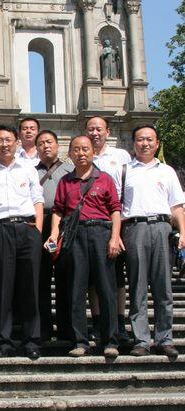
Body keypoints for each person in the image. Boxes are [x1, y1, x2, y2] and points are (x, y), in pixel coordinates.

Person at [111, 125, 185, 358]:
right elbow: (116, 207)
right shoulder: (124, 170)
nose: (145, 143)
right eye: (140, 139)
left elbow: (176, 206)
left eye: (149, 140)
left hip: (162, 227)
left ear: (157, 143)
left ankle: (165, 339)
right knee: (138, 286)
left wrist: (183, 232)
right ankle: (141, 340)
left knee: (164, 288)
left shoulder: (167, 171)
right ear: (133, 143)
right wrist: (116, 234)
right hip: (134, 228)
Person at [48, 136, 122, 358]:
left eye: (85, 149)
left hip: (101, 233)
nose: (81, 153)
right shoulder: (65, 181)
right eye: (76, 149)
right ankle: (80, 341)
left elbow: (115, 210)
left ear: (93, 152)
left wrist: (115, 237)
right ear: (70, 154)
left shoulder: (105, 178)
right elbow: (58, 210)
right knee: (76, 289)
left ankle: (110, 341)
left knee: (106, 289)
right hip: (75, 235)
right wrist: (54, 235)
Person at [0, 125, 44, 359]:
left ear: (17, 142)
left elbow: (37, 199)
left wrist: (38, 230)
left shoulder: (28, 168)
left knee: (30, 287)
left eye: (8, 140)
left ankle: (32, 340)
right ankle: (3, 341)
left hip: (27, 229)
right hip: (0, 229)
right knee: (1, 287)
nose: (4, 144)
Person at [86, 116, 131, 343]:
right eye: (91, 129)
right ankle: (97, 321)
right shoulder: (82, 155)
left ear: (108, 131)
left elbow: (128, 190)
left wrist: (119, 229)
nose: (95, 133)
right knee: (93, 277)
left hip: (114, 221)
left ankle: (119, 322)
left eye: (99, 129)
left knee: (117, 276)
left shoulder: (121, 156)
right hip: (90, 224)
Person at [34, 130, 74, 341]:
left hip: (64, 225)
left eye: (49, 142)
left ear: (58, 145)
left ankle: (66, 327)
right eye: (41, 143)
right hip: (40, 224)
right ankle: (44, 328)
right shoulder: (31, 171)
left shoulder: (70, 170)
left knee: (65, 277)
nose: (45, 146)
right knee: (40, 278)